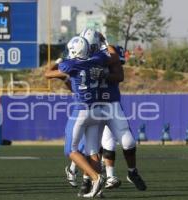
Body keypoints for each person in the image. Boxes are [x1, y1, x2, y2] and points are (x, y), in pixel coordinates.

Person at [66, 28, 146, 194]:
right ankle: (88, 181)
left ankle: (131, 172)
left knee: (127, 142)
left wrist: (103, 73)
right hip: (93, 105)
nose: (90, 49)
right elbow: (67, 76)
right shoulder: (78, 55)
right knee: (91, 147)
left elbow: (118, 73)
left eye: (93, 45)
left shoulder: (106, 53)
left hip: (110, 103)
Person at [45, 36, 110, 198]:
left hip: (81, 110)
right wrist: (103, 40)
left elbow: (48, 73)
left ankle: (96, 178)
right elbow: (106, 53)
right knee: (93, 150)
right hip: (97, 111)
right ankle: (98, 189)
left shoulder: (70, 64)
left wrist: (58, 59)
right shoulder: (97, 60)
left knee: (70, 150)